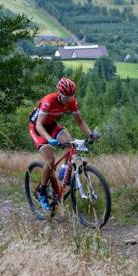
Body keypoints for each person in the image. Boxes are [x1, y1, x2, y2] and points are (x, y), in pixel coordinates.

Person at [28, 77, 98, 211]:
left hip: (52, 125)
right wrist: (49, 139)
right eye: (66, 96)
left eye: (71, 96)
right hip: (37, 128)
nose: (68, 99)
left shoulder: (72, 101)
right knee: (50, 159)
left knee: (70, 143)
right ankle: (42, 192)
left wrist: (90, 134)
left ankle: (63, 171)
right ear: (59, 93)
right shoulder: (48, 101)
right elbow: (39, 125)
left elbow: (80, 122)